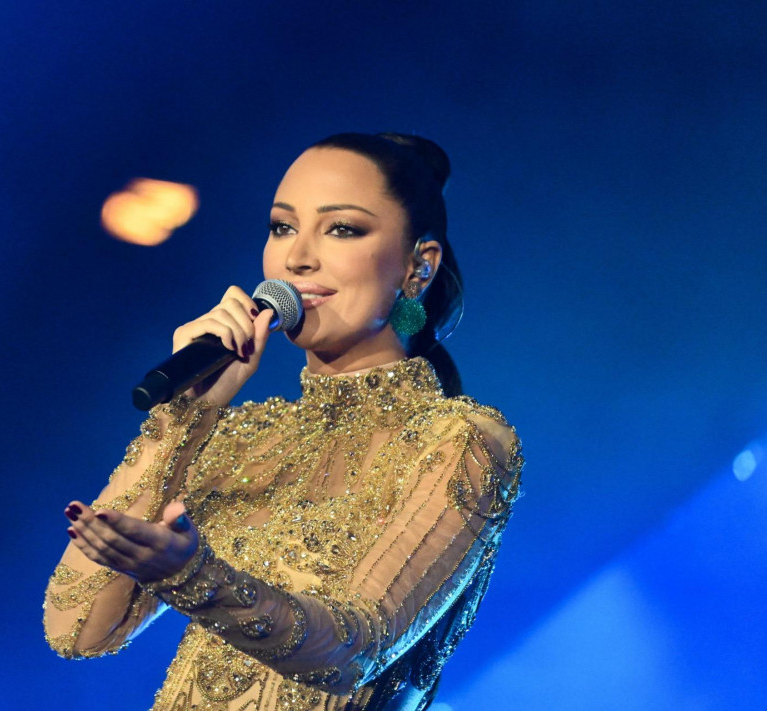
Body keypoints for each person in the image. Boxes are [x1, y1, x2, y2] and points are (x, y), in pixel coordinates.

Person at [42, 132, 523, 710]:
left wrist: (192, 575)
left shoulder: (461, 441)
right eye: (282, 227)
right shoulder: (242, 438)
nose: (297, 257)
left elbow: (354, 650)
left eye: (342, 228)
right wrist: (184, 418)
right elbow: (77, 630)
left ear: (418, 267)